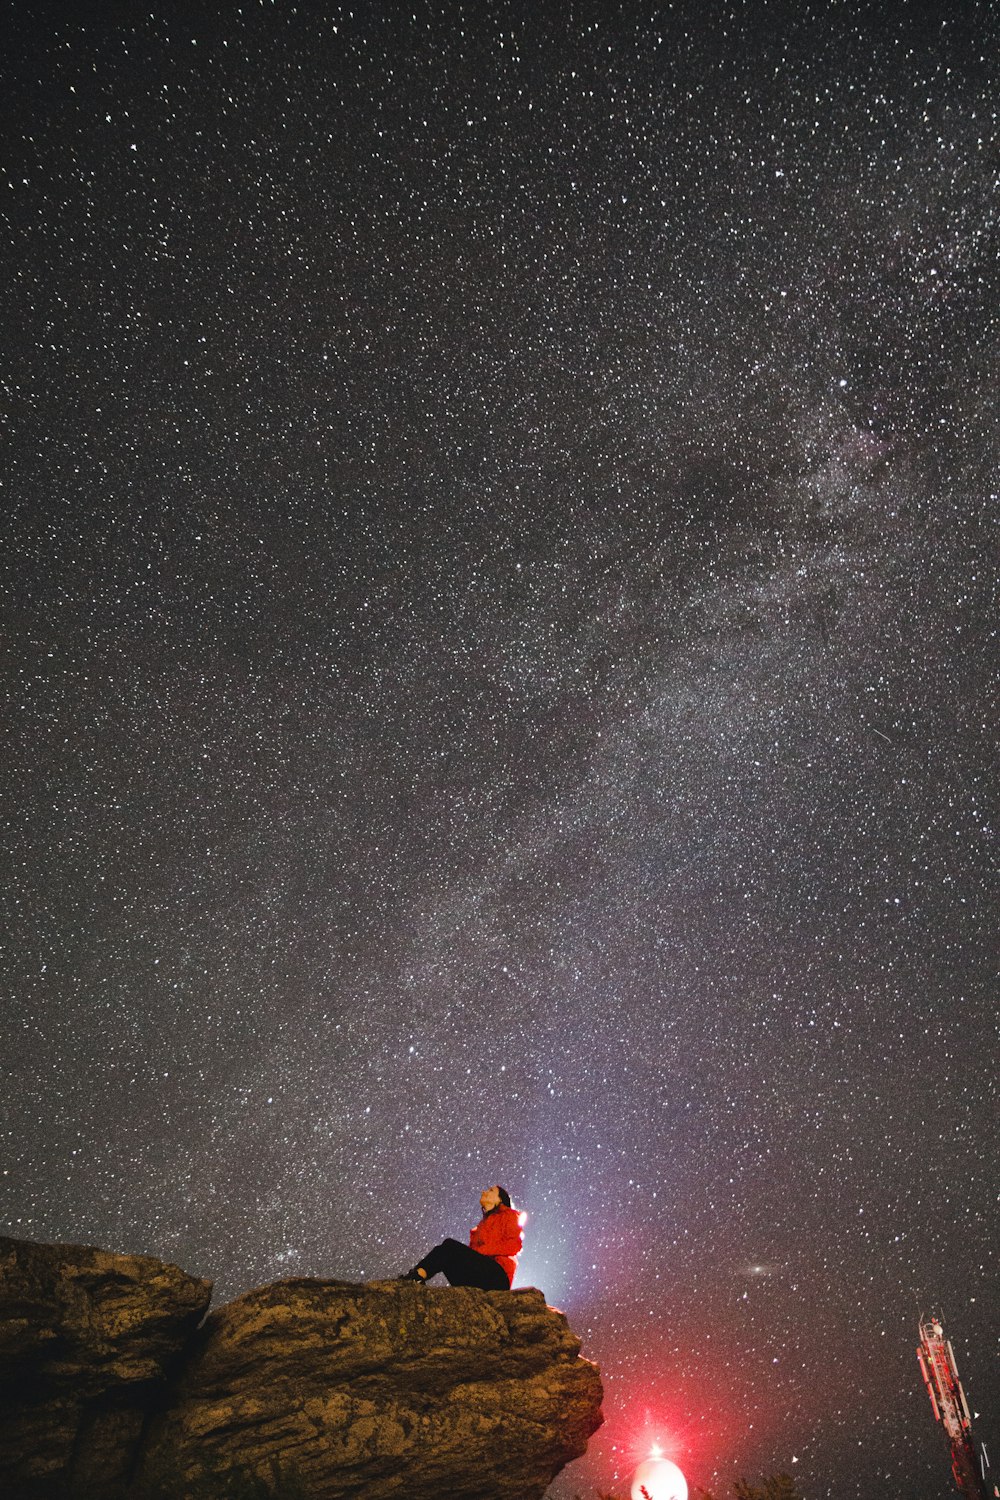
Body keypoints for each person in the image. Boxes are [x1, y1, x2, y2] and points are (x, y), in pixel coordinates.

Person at [399, 1185, 523, 1290]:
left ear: (499, 1200)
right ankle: (417, 1277)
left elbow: (514, 1245)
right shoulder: (482, 1225)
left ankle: (418, 1276)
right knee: (445, 1254)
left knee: (449, 1246)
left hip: (498, 1277)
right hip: (482, 1274)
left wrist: (481, 1251)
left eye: (490, 1190)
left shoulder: (509, 1215)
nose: (484, 1192)